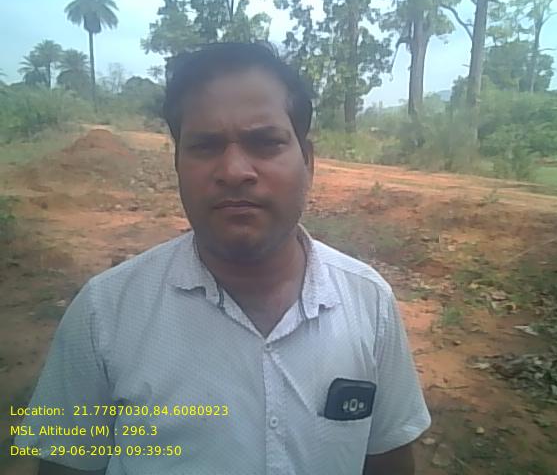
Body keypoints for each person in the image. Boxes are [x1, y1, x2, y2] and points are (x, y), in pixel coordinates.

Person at [15, 42, 430, 475]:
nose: (234, 171)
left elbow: (390, 460)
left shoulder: (370, 303)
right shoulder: (103, 314)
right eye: (206, 145)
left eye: (265, 143)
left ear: (307, 162)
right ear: (177, 164)